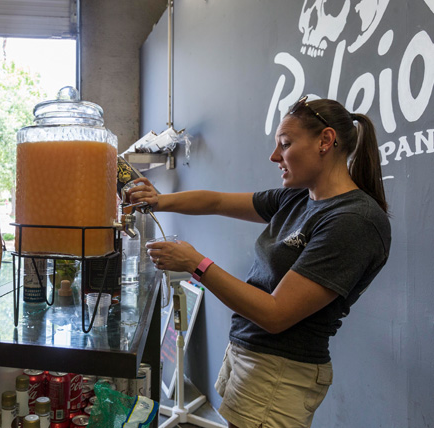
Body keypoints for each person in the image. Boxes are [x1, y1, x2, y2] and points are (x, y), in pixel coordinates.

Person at [131, 96, 391, 428]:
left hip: (280, 373)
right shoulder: (298, 197)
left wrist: (196, 263)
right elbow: (217, 201)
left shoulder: (353, 220)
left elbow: (275, 314)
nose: (274, 156)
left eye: (285, 144)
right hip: (250, 354)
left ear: (325, 141)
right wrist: (158, 200)